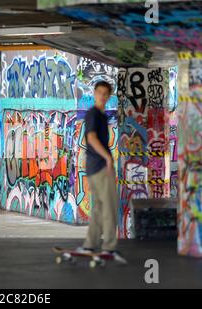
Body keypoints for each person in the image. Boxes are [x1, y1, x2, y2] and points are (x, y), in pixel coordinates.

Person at [75, 80, 126, 263]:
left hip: (93, 167)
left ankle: (90, 244)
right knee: (110, 207)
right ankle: (110, 247)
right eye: (100, 93)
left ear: (109, 95)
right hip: (100, 166)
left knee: (97, 207)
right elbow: (91, 138)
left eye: (106, 93)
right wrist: (107, 158)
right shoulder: (94, 115)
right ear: (95, 93)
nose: (102, 96)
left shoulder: (101, 116)